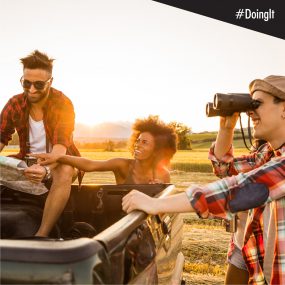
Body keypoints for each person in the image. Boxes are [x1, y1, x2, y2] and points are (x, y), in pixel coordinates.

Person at [122, 75, 285, 284]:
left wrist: (156, 204)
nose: (251, 111)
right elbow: (224, 168)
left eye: (258, 104)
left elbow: (235, 190)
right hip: (253, 250)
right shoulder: (268, 154)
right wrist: (226, 128)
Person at [0, 50, 81, 237]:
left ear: (50, 82)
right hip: (25, 162)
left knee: (65, 171)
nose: (32, 90)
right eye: (26, 83)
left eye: (38, 84)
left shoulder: (63, 103)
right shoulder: (15, 103)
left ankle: (41, 236)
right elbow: (1, 136)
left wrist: (45, 169)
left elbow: (61, 147)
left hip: (61, 160)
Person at [32, 115, 177, 184]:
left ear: (157, 149)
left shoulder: (163, 174)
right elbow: (90, 165)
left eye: (144, 142)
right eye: (137, 140)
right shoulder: (122, 165)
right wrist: (58, 157)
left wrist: (158, 192)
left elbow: (163, 213)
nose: (137, 145)